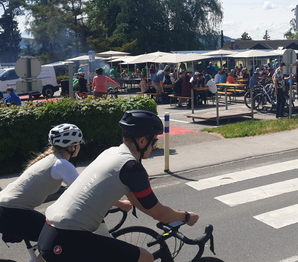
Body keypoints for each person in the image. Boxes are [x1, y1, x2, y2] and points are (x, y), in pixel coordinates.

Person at [39, 111, 199, 262]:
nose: (153, 146)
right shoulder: (131, 167)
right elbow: (159, 214)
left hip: (49, 232)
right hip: (68, 239)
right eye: (154, 141)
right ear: (142, 141)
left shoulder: (111, 152)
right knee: (146, 258)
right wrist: (186, 217)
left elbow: (139, 201)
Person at [0, 124, 97, 262]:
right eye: (79, 144)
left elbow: (66, 190)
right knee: (60, 239)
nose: (80, 147)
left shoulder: (51, 159)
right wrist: (116, 202)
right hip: (12, 215)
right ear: (72, 147)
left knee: (54, 238)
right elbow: (85, 190)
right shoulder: (61, 164)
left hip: (4, 211)